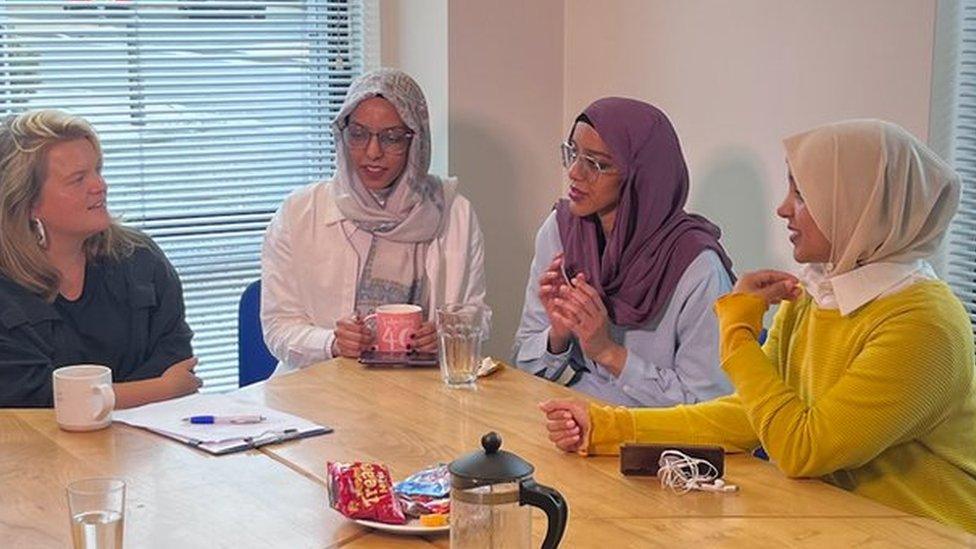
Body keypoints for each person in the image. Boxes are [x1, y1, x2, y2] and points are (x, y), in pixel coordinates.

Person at [540, 119, 976, 533]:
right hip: (831, 524)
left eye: (803, 195)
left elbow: (802, 449)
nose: (783, 208)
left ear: (857, 208)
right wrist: (608, 427)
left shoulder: (924, 325)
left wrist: (737, 327)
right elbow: (753, 416)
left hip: (924, 534)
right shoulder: (819, 292)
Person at [261, 68, 486, 373]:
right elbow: (278, 327)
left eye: (392, 138)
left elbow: (477, 317)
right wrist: (331, 342)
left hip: (422, 393)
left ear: (416, 140)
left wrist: (447, 335)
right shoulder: (299, 213)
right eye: (358, 134)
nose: (373, 152)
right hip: (319, 394)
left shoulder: (454, 212)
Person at [514, 98, 735, 406]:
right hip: (574, 424)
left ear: (640, 177)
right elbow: (523, 367)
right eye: (573, 153)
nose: (575, 173)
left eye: (598, 163)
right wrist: (557, 336)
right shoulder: (562, 230)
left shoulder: (697, 267)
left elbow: (711, 407)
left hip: (655, 443)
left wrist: (609, 353)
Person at [0, 109, 201, 408]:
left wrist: (96, 397)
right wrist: (162, 388)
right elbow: (35, 399)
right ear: (28, 203)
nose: (100, 186)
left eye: (98, 170)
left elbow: (176, 359)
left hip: (150, 444)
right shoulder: (7, 288)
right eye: (78, 179)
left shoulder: (139, 258)